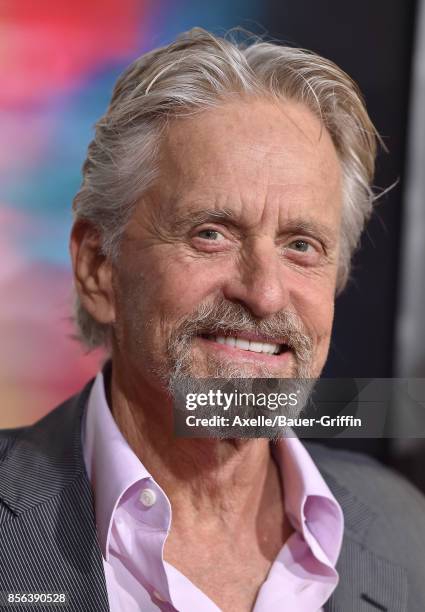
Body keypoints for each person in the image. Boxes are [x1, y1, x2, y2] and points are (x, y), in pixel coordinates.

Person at [1, 27, 424, 612]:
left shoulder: (407, 533)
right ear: (100, 268)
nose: (266, 293)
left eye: (301, 245)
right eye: (212, 233)